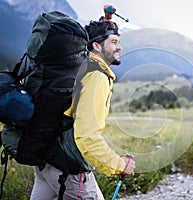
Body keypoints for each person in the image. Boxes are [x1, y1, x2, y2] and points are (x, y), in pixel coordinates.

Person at [30, 20, 135, 200]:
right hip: (67, 165)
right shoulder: (96, 77)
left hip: (46, 156)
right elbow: (87, 136)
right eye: (114, 42)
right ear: (96, 45)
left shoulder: (80, 64)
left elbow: (96, 38)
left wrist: (105, 22)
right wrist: (119, 164)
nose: (120, 47)